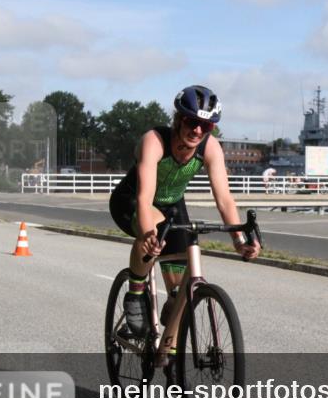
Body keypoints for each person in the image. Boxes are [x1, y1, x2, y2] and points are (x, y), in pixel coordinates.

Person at [108, 85, 260, 367]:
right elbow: (144, 199)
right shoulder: (154, 141)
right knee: (154, 230)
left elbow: (225, 199)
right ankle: (135, 292)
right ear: (178, 119)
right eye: (192, 122)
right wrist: (149, 235)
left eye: (206, 125)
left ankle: (169, 353)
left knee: (179, 293)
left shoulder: (210, 148)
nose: (198, 130)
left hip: (172, 205)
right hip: (131, 200)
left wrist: (239, 240)